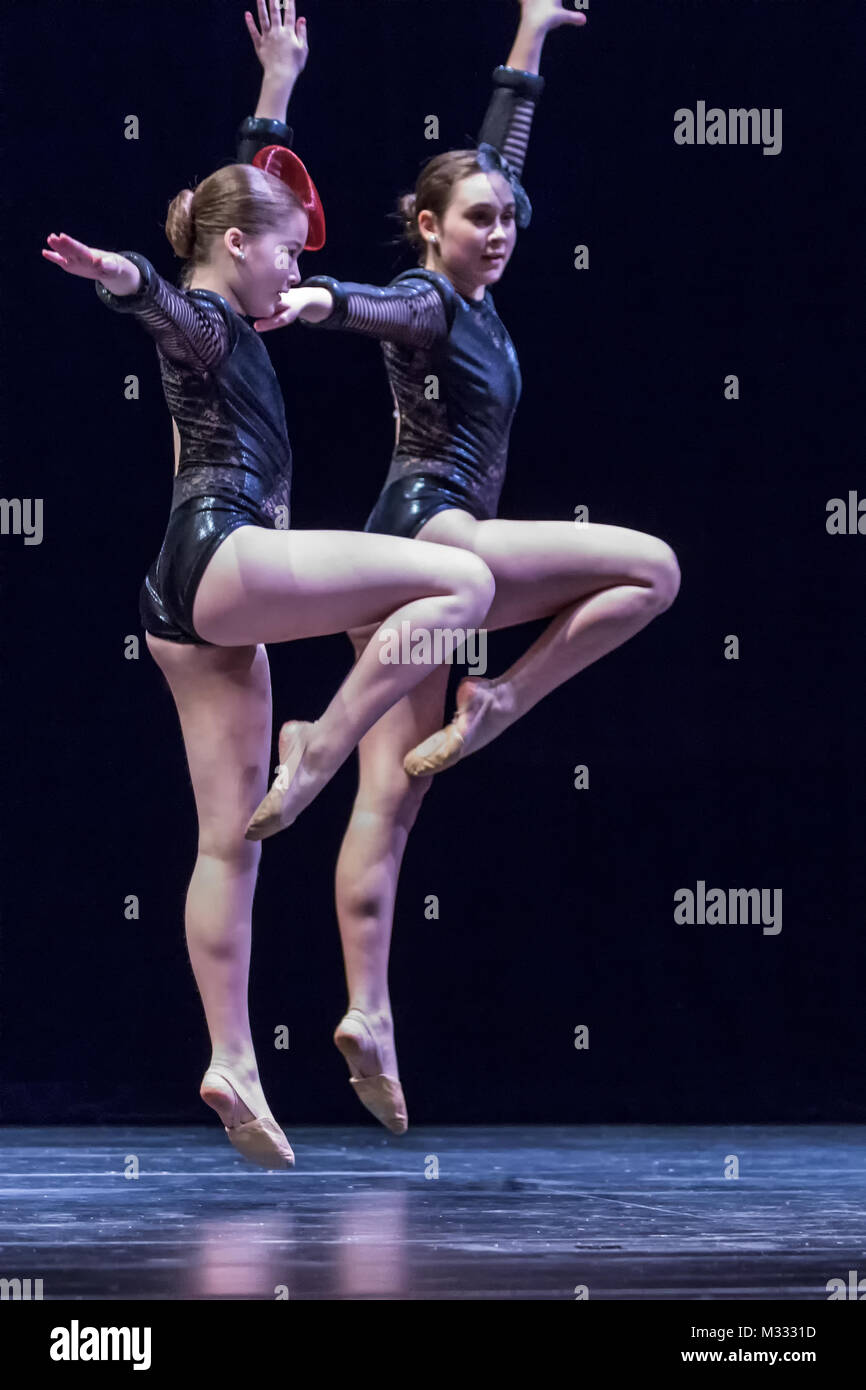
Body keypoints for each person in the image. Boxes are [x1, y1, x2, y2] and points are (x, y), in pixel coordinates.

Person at [40, 0, 495, 1169]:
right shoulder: (203, 313)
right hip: (220, 554)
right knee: (454, 584)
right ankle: (324, 744)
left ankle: (231, 1062)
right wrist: (114, 274)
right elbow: (165, 294)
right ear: (238, 250)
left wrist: (277, 77)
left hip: (179, 600)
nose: (298, 266)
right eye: (288, 248)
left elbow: (239, 192)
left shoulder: (232, 280)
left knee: (225, 841)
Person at [252, 0, 680, 1134]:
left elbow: (500, 150)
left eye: (505, 220)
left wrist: (529, 35)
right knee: (650, 569)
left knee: (389, 805)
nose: (498, 231)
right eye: (477, 219)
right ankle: (495, 698)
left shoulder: (475, 282)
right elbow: (385, 305)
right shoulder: (433, 301)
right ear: (429, 228)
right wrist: (321, 298)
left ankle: (367, 1015)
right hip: (438, 540)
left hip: (408, 571)